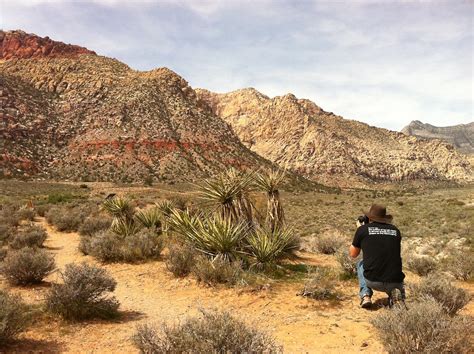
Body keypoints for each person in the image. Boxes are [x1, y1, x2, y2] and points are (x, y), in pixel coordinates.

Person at [349, 204, 405, 309]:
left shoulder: (363, 230)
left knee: (361, 263)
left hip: (373, 281)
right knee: (391, 265)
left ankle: (365, 296)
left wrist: (360, 229)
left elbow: (353, 254)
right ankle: (395, 295)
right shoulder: (396, 231)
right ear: (384, 218)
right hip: (395, 280)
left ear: (369, 217)